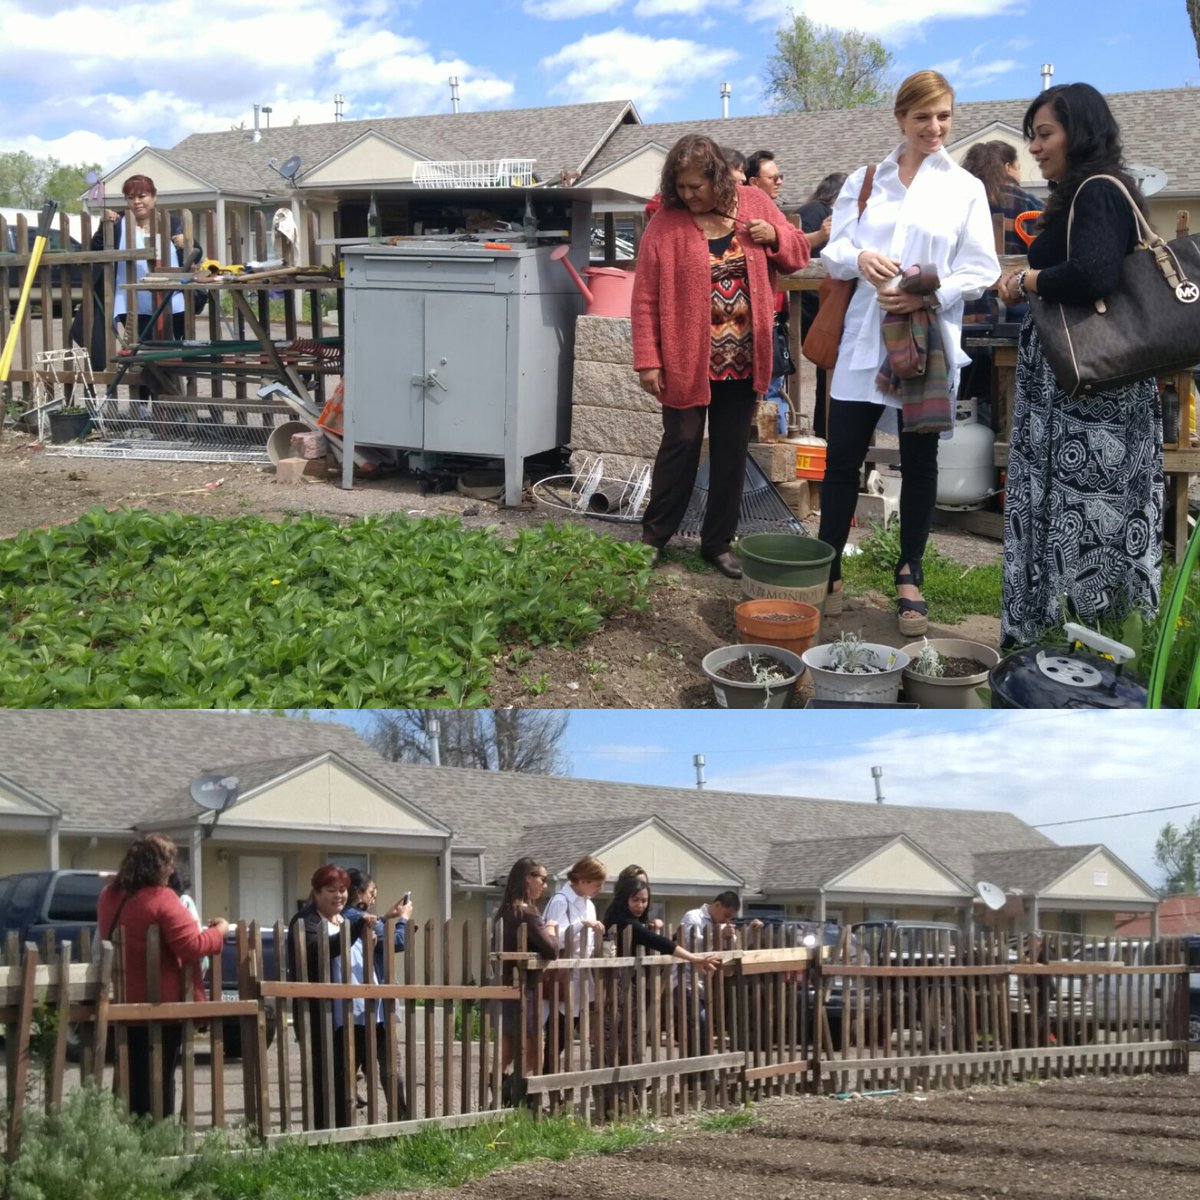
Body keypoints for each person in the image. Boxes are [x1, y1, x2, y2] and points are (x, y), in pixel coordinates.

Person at [817, 70, 999, 633]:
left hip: (926, 342)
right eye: (923, 116)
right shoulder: (866, 180)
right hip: (865, 338)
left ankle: (909, 572)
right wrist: (861, 258)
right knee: (842, 455)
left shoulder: (964, 188)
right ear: (901, 118)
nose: (935, 127)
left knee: (921, 461)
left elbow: (983, 267)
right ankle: (828, 573)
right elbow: (836, 250)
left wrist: (930, 288)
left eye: (944, 115)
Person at [996, 83, 1163, 646]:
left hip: (1091, 402)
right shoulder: (1081, 195)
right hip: (1078, 391)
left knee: (1087, 517)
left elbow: (1094, 274)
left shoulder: (1098, 192)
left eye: (1045, 135)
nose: (1035, 148)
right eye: (1031, 137)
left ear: (1080, 132)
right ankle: (1062, 639)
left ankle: (1087, 647)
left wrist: (1026, 279)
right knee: (1073, 515)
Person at [633, 134, 809, 578]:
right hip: (685, 361)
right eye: (681, 186)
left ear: (716, 178)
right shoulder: (666, 224)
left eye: (697, 186)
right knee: (681, 445)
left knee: (731, 451)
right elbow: (645, 298)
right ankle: (653, 538)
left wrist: (775, 237)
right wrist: (648, 358)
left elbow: (798, 255)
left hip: (744, 359)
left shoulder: (753, 203)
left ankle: (717, 544)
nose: (688, 195)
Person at [97, 833, 228, 1118]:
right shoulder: (161, 898)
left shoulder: (109, 895)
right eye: (170, 862)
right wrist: (219, 932)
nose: (173, 869)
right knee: (159, 1082)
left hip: (123, 1003)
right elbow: (193, 946)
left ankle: (130, 1140)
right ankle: (158, 1145)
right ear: (158, 865)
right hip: (162, 1006)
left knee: (130, 1080)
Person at [287, 863, 370, 1129]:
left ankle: (343, 1132)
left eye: (343, 890)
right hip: (317, 1011)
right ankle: (322, 1134)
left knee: (344, 1075)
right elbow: (321, 950)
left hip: (344, 1011)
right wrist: (355, 932)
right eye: (331, 890)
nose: (339, 895)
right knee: (323, 1075)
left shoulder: (343, 919)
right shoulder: (306, 920)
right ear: (316, 892)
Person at [492, 857, 559, 1104]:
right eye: (541, 879)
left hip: (506, 985)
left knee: (507, 1048)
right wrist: (551, 928)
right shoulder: (528, 913)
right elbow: (551, 950)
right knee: (535, 1051)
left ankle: (497, 1090)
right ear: (527, 878)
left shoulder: (504, 911)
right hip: (527, 989)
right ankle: (516, 1095)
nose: (544, 885)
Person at [346, 872, 411, 1120]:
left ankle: (346, 1115)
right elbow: (398, 941)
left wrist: (387, 916)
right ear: (359, 892)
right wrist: (403, 919)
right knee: (390, 1065)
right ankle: (401, 1116)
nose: (373, 898)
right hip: (374, 1005)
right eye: (372, 893)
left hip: (362, 1004)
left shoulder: (348, 917)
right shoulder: (360, 918)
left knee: (355, 1063)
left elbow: (371, 932)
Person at [541, 856, 607, 1068]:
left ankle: (552, 1075)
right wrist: (582, 925)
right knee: (557, 1030)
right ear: (583, 880)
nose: (599, 888)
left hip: (581, 973)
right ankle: (546, 1073)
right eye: (596, 884)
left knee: (571, 1028)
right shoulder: (561, 901)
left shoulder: (589, 905)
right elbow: (552, 937)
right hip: (562, 971)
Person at [797, 172, 848, 437]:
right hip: (814, 304)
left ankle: (825, 430)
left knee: (827, 371)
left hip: (818, 302)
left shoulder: (817, 210)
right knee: (827, 367)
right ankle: (824, 431)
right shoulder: (817, 211)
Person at [747, 150, 793, 435]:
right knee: (769, 388)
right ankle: (770, 445)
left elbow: (796, 252)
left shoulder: (775, 215)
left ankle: (778, 443)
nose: (779, 182)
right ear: (753, 182)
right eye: (772, 177)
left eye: (780, 177)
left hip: (775, 315)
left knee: (773, 385)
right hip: (756, 317)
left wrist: (778, 235)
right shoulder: (749, 215)